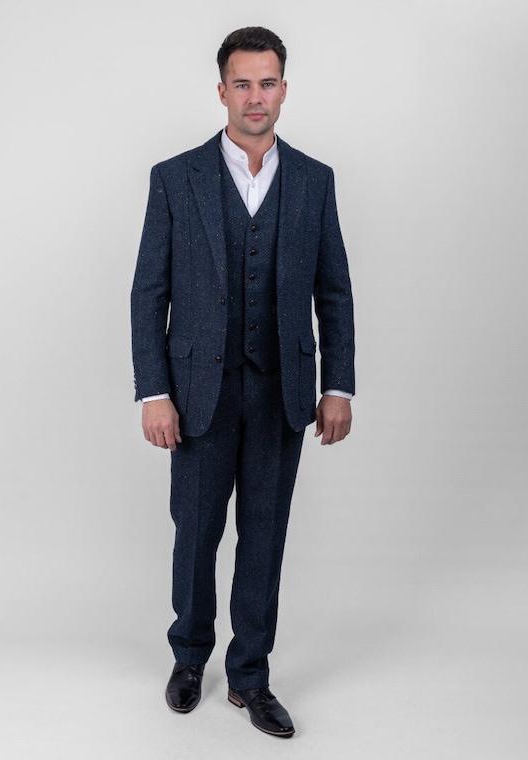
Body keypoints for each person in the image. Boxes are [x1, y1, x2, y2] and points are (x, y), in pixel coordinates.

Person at [131, 26, 355, 738]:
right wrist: (153, 392)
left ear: (283, 89)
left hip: (282, 392)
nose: (255, 97)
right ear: (222, 91)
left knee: (264, 535)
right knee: (196, 532)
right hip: (196, 394)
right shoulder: (176, 177)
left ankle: (250, 675)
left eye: (267, 83)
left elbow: (334, 292)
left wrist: (338, 386)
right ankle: (190, 656)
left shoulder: (315, 180)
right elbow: (149, 293)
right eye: (242, 83)